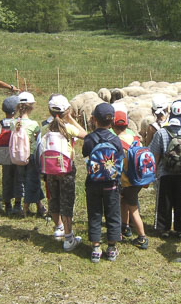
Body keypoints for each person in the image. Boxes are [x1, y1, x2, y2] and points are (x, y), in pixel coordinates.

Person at [43, 95, 86, 251]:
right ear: (66, 110)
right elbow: (85, 134)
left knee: (54, 198)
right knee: (66, 201)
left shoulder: (44, 127)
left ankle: (58, 228)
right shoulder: (68, 128)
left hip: (49, 169)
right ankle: (68, 239)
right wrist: (70, 118)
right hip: (66, 169)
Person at [82, 103, 124, 262]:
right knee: (113, 214)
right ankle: (112, 248)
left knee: (94, 213)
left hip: (93, 183)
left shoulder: (89, 139)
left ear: (94, 120)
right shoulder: (116, 140)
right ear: (112, 120)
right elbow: (120, 161)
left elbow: (86, 158)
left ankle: (96, 248)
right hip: (112, 185)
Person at [149, 99, 181, 238]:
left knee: (165, 200)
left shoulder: (161, 133)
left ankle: (164, 228)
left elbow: (154, 155)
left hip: (165, 173)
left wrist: (153, 174)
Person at [111, 109, 148, 249]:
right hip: (137, 180)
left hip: (125, 181)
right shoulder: (136, 139)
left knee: (133, 209)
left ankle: (142, 237)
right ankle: (125, 227)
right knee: (124, 203)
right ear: (127, 125)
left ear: (113, 126)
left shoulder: (116, 141)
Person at [13, 92, 46, 217]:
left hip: (18, 157)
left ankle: (40, 206)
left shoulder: (14, 123)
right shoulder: (33, 124)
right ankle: (25, 209)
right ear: (31, 107)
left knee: (27, 180)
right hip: (31, 156)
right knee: (32, 181)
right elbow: (38, 140)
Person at [0, 95, 23, 216]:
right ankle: (18, 204)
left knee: (6, 179)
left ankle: (7, 205)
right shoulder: (18, 123)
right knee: (18, 178)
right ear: (16, 110)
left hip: (4, 156)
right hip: (16, 155)